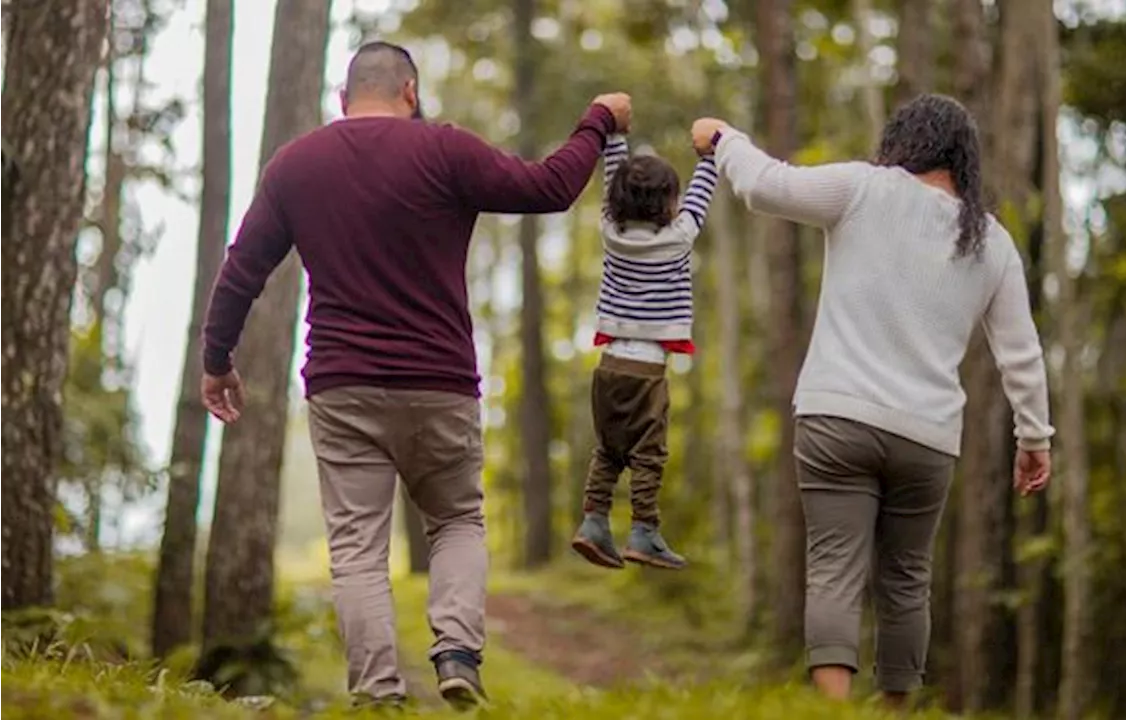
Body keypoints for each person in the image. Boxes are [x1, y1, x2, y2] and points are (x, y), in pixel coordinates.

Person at [200, 40, 631, 710]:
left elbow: (242, 270)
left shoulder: (296, 165)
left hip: (342, 387)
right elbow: (550, 188)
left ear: (343, 100)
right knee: (457, 518)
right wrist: (597, 120)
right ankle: (458, 653)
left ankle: (377, 694)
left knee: (357, 551)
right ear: (410, 91)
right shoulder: (444, 149)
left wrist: (216, 359)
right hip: (440, 382)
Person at [690, 94, 1054, 710]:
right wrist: (1035, 438)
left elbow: (765, 186)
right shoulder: (991, 241)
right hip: (928, 438)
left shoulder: (862, 188)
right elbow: (1021, 351)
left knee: (835, 568)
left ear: (902, 142)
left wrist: (725, 138)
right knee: (908, 581)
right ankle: (894, 712)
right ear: (964, 159)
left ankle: (831, 710)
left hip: (837, 418)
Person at [569, 132, 718, 571]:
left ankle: (594, 520)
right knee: (648, 453)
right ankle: (644, 530)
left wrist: (614, 135)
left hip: (609, 365)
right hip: (648, 371)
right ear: (669, 203)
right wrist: (709, 154)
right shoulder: (679, 237)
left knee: (608, 449)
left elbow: (612, 175)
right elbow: (702, 192)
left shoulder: (610, 232)